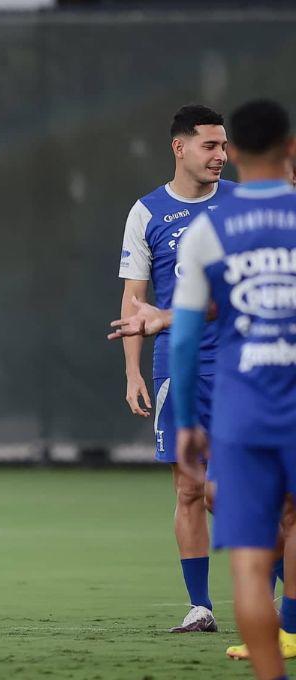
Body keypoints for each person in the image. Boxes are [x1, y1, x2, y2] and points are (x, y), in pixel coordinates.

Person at [171, 98, 296, 679]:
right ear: (290, 148)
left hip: (242, 411)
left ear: (236, 151)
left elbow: (185, 341)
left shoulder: (209, 229)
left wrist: (192, 425)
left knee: (249, 561)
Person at [112, 104, 233, 632]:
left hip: (239, 366)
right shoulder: (147, 212)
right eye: (210, 145)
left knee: (235, 488)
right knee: (187, 489)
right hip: (177, 370)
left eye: (224, 146)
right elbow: (134, 303)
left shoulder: (240, 207)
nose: (220, 156)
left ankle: (280, 583)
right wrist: (133, 373)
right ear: (179, 148)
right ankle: (201, 606)